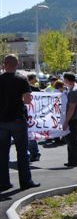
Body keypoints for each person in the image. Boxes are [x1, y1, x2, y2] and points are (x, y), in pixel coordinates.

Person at [0, 54, 39, 191]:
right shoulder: (21, 79)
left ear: (4, 64)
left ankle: (4, 182)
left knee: (3, 153)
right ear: (17, 64)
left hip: (2, 121)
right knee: (22, 152)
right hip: (17, 119)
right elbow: (28, 100)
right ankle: (25, 181)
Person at [62, 72, 77, 168]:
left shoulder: (74, 91)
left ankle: (76, 161)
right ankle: (72, 160)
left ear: (67, 80)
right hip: (75, 117)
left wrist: (66, 121)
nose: (63, 81)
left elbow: (71, 108)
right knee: (71, 140)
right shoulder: (73, 88)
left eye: (64, 79)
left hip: (74, 118)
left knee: (72, 141)